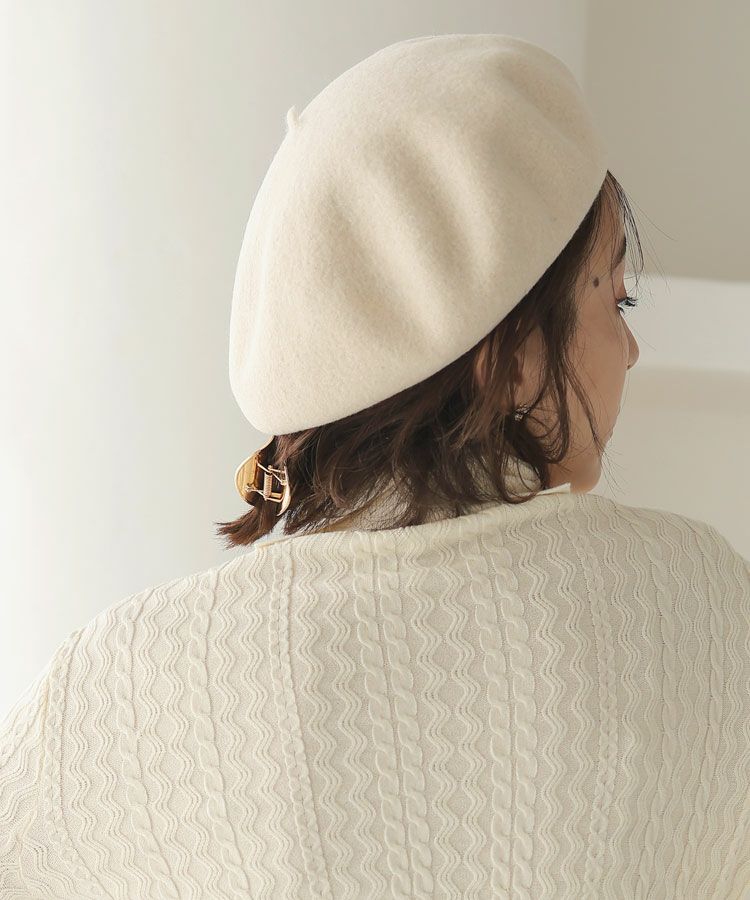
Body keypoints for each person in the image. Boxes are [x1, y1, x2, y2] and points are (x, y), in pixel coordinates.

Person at [2, 34, 748, 900]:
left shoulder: (125, 683)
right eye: (615, 298)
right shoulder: (697, 607)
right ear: (507, 354)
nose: (632, 348)